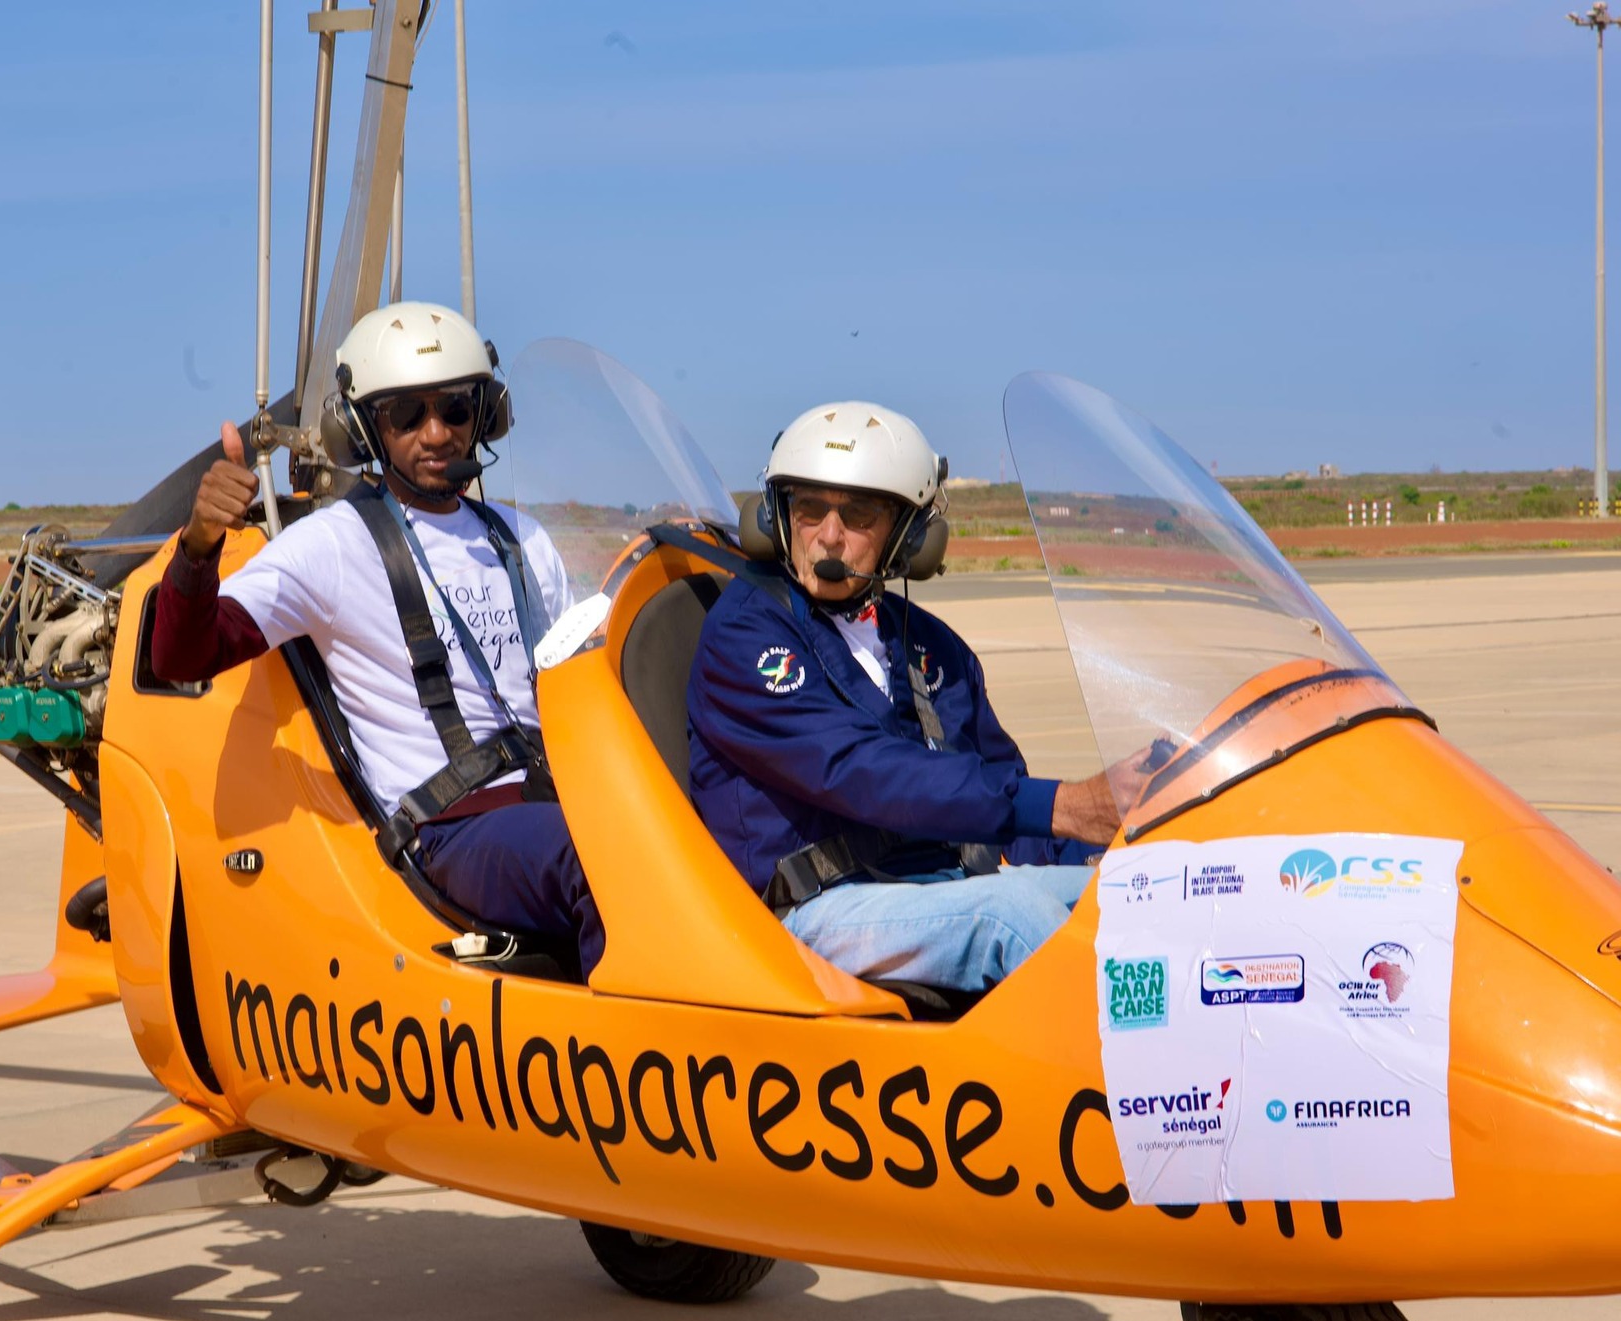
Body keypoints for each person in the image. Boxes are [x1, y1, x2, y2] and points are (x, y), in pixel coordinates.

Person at [150, 301, 603, 977]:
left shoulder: (523, 537)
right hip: (452, 830)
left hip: (558, 798)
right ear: (364, 428)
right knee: (604, 855)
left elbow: (581, 680)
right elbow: (182, 657)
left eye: (455, 409)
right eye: (406, 415)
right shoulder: (333, 546)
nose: (436, 432)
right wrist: (198, 545)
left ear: (486, 414)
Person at [686, 400, 1138, 995]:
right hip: (809, 914)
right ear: (776, 518)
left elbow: (1001, 789)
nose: (828, 535)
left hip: (931, 886)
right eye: (809, 508)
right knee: (1006, 917)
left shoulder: (929, 646)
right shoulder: (746, 637)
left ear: (908, 534)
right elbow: (859, 770)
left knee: (1136, 894)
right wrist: (1063, 802)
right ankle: (1129, 1079)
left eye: (858, 515)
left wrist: (1116, 835)